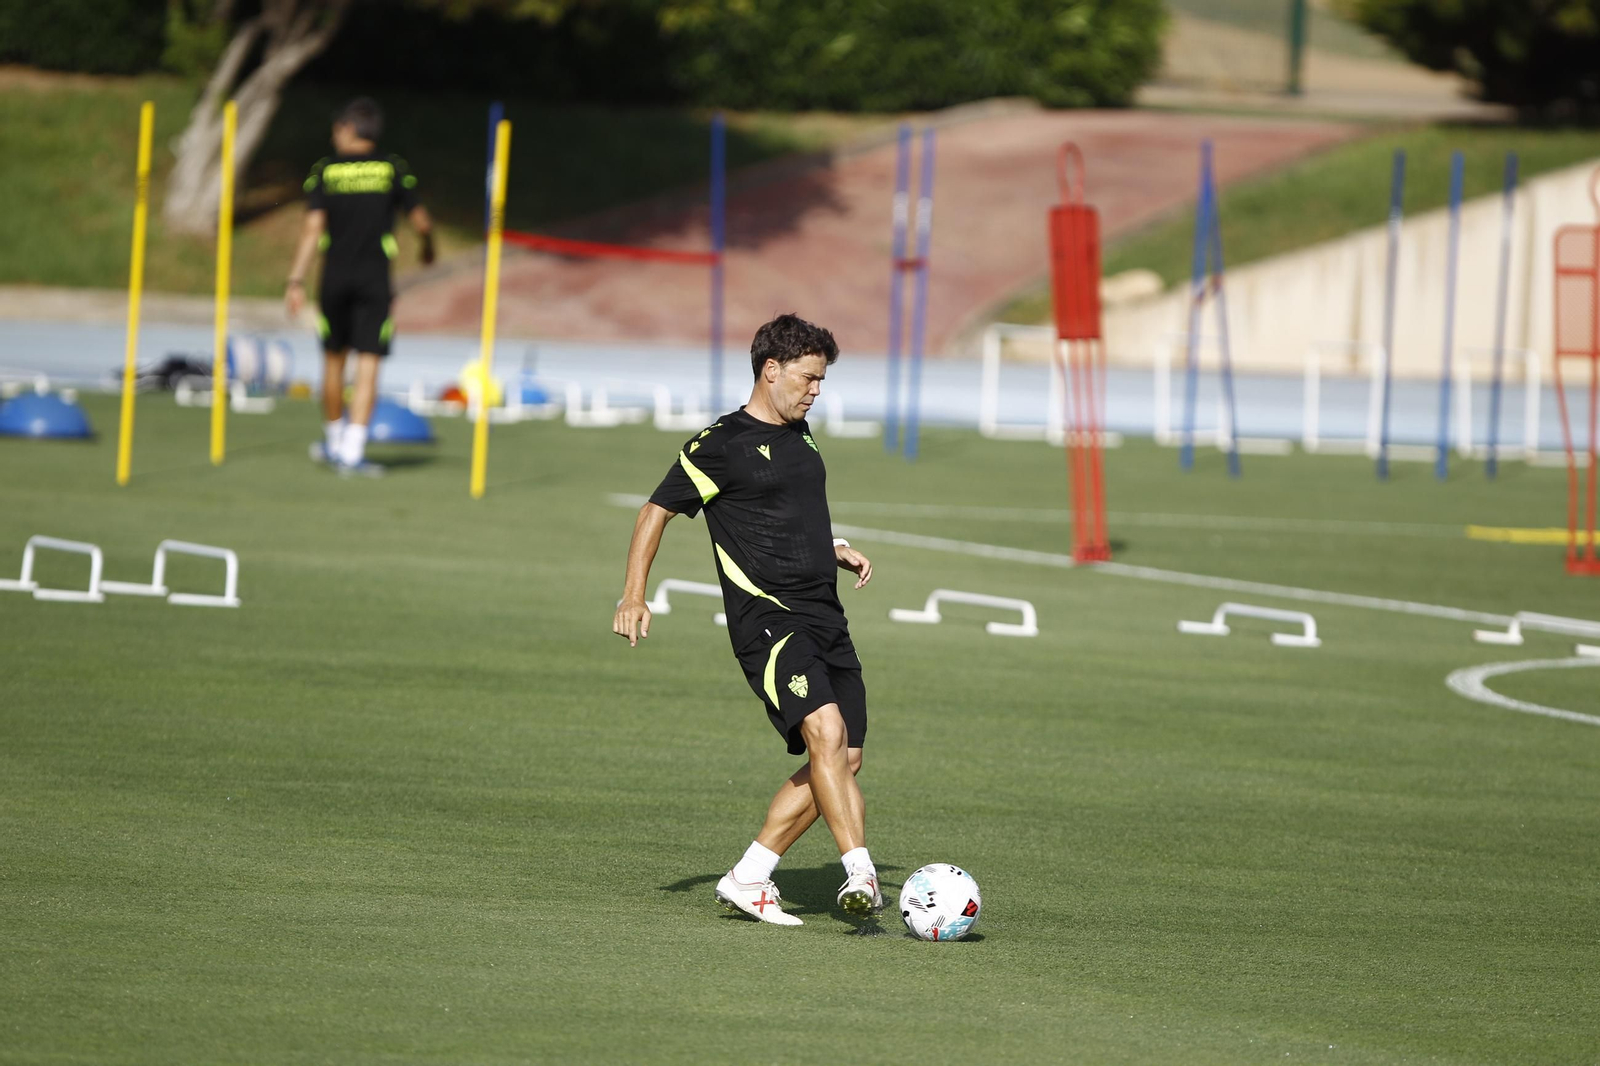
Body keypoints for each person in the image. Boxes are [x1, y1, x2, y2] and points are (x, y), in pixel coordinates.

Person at [613, 314, 879, 927]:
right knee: (826, 732)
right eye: (808, 378)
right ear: (771, 370)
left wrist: (832, 548)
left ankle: (750, 875)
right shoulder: (719, 445)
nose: (816, 391)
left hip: (825, 613)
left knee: (844, 759)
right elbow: (655, 511)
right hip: (768, 617)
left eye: (822, 380)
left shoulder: (800, 432)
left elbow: (785, 510)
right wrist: (633, 595)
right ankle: (860, 871)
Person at [285, 97, 434, 476]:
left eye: (337, 129)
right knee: (368, 362)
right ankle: (352, 452)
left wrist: (295, 280)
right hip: (374, 281)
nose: (334, 136)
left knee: (333, 361)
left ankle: (335, 441)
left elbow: (312, 229)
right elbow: (422, 221)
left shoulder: (325, 170)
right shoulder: (391, 168)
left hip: (334, 278)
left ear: (349, 129)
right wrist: (428, 248)